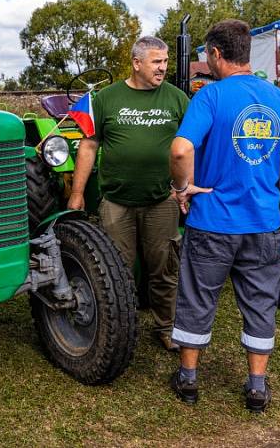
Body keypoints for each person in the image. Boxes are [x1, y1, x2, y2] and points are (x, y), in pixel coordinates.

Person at [168, 19, 280, 412]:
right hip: (262, 223)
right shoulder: (278, 99)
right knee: (260, 302)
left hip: (212, 223)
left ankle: (188, 380)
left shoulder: (209, 98)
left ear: (216, 54)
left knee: (197, 297)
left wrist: (182, 188)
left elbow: (179, 150)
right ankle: (257, 386)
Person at [67, 36, 189, 352]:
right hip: (116, 204)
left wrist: (187, 187)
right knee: (116, 274)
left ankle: (166, 328)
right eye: (156, 62)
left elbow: (189, 147)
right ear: (137, 63)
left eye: (165, 62)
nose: (163, 68)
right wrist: (78, 192)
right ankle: (120, 330)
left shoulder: (177, 99)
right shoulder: (107, 98)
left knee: (164, 270)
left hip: (162, 200)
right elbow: (89, 146)